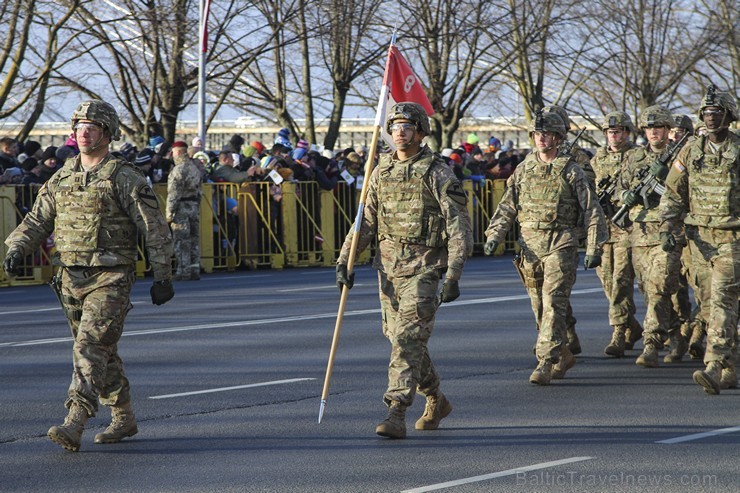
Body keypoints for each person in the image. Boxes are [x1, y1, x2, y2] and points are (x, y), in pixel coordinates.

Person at [3, 100, 174, 452]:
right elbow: (38, 219)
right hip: (69, 279)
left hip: (110, 277)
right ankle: (124, 417)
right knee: (101, 353)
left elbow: (153, 227)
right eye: (79, 127)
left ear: (107, 133)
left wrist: (163, 275)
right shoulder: (63, 176)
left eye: (91, 127)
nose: (83, 133)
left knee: (88, 347)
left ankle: (75, 420)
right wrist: (17, 247)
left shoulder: (124, 177)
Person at [336, 102, 473, 439]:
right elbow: (365, 221)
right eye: (394, 126)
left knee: (408, 339)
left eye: (406, 126)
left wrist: (453, 274)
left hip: (424, 269)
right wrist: (345, 260)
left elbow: (459, 227)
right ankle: (436, 399)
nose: (399, 132)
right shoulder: (380, 171)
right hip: (387, 269)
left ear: (420, 131)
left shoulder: (436, 172)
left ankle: (396, 410)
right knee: (400, 340)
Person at [484, 110, 607, 385]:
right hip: (530, 247)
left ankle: (545, 360)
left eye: (547, 134)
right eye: (537, 134)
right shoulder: (524, 169)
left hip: (561, 244)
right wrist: (495, 234)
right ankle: (562, 353)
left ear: (558, 137)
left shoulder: (570, 170)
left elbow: (591, 209)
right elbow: (507, 206)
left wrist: (593, 246)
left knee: (553, 302)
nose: (541, 138)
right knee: (539, 307)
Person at [659, 85, 739, 394]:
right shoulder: (691, 150)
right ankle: (732, 367)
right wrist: (668, 227)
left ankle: (714, 365)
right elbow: (673, 193)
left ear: (728, 116)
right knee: (709, 306)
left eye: (715, 113)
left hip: (733, 239)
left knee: (721, 298)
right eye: (705, 114)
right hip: (699, 241)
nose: (709, 119)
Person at [616, 105, 685, 368]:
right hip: (640, 233)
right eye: (649, 128)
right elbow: (621, 188)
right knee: (650, 291)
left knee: (659, 288)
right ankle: (676, 334)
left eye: (659, 127)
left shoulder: (681, 154)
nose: (654, 132)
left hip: (668, 230)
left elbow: (687, 188)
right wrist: (626, 197)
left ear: (668, 130)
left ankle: (651, 344)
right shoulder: (634, 158)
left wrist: (666, 176)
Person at [590, 111, 643, 357]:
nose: (614, 135)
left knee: (621, 279)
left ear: (627, 133)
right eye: (610, 132)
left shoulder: (637, 156)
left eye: (618, 131)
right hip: (603, 228)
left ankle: (619, 332)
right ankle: (632, 325)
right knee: (608, 282)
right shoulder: (597, 159)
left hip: (627, 227)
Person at [167, 141, 203, 281]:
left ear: (179, 152)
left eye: (174, 152)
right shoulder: (194, 168)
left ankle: (184, 270)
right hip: (193, 205)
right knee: (194, 239)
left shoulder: (178, 170)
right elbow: (200, 190)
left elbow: (173, 194)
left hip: (181, 207)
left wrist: (169, 213)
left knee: (181, 240)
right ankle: (195, 269)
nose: (172, 154)